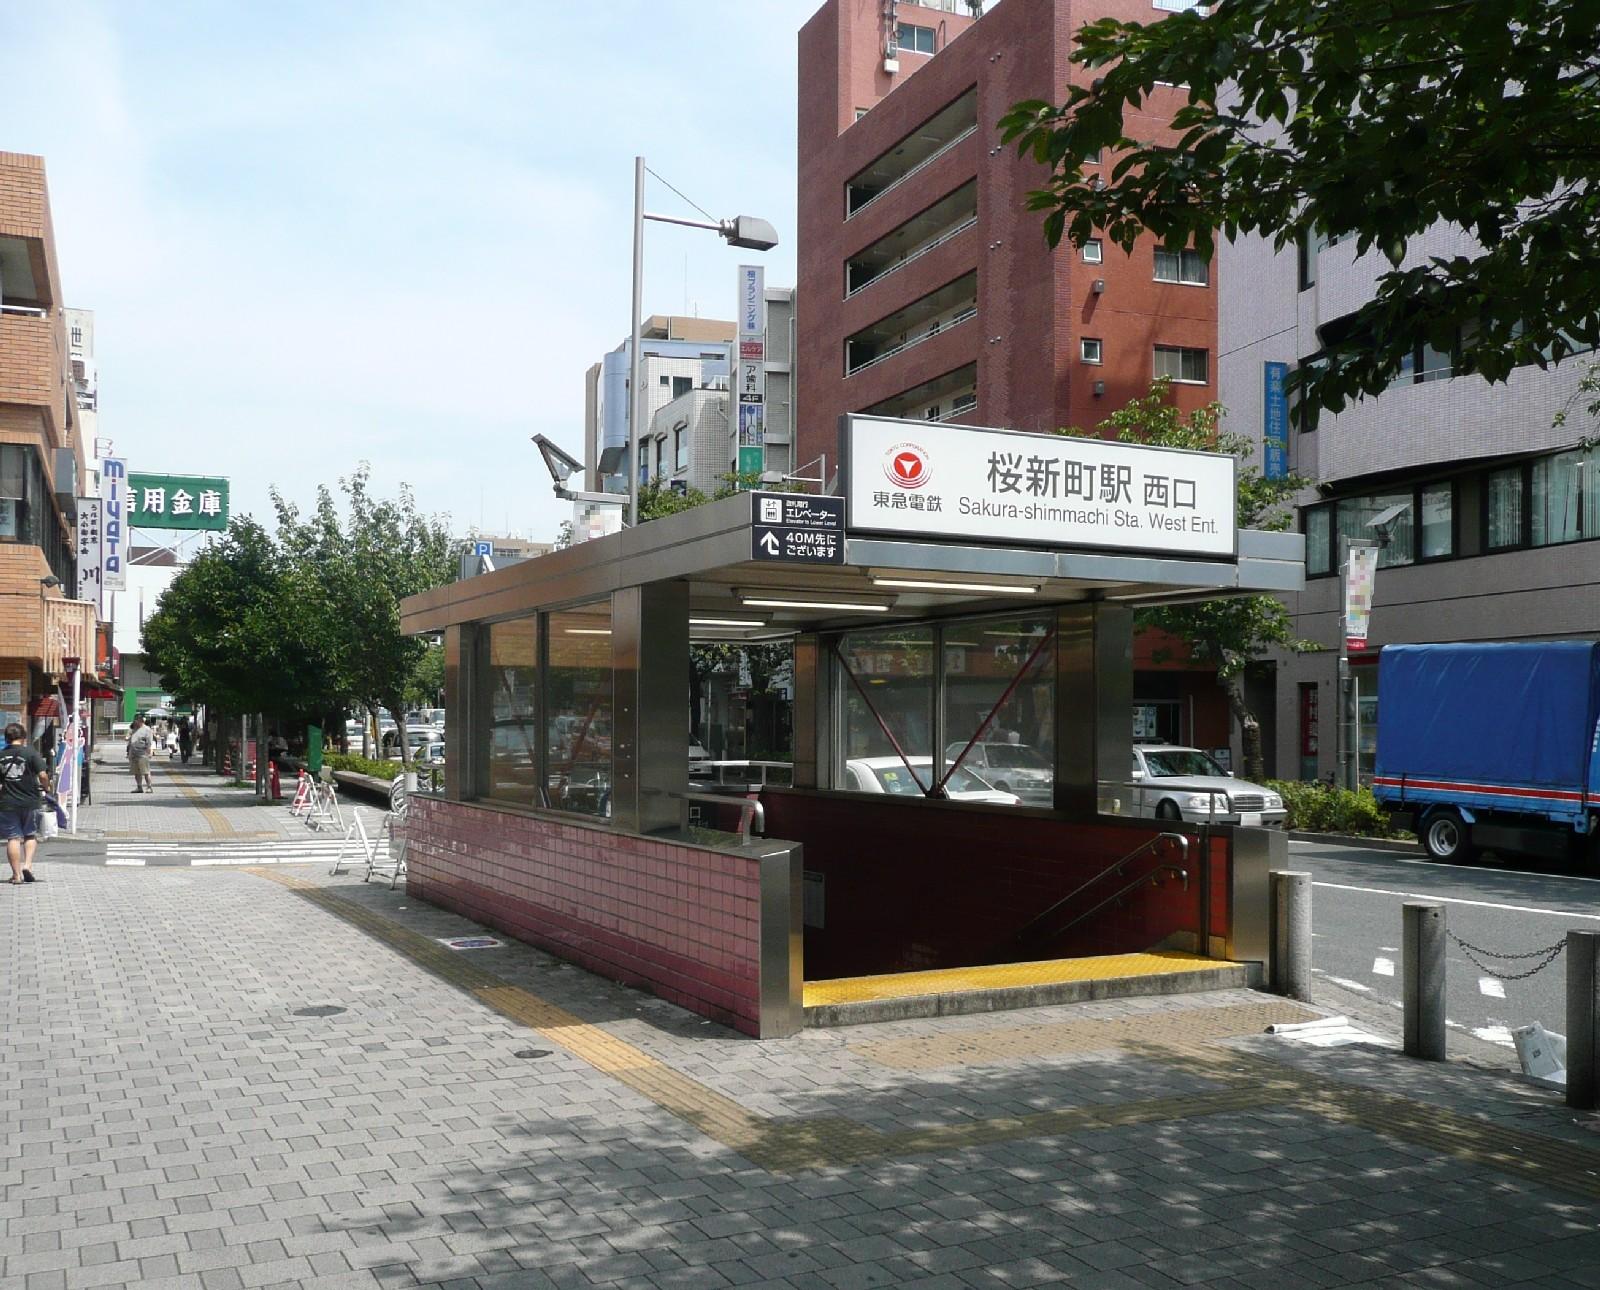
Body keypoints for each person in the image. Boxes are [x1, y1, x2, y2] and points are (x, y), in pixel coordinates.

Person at [1, 721, 49, 885]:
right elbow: (42, 775)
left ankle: (16, 875)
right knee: (30, 835)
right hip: (30, 801)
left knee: (13, 838)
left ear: (6, 738)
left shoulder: (1, 755)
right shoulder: (30, 753)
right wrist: (47, 787)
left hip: (7, 803)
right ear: (23, 737)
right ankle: (27, 865)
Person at [127, 715, 155, 793]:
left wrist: (149, 752)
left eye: (138, 720)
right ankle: (139, 787)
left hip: (143, 753)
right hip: (134, 753)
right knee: (136, 772)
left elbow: (149, 742)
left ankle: (149, 787)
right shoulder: (133, 729)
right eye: (136, 720)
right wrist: (129, 753)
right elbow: (130, 742)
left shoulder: (147, 730)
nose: (137, 722)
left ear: (142, 720)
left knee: (146, 771)